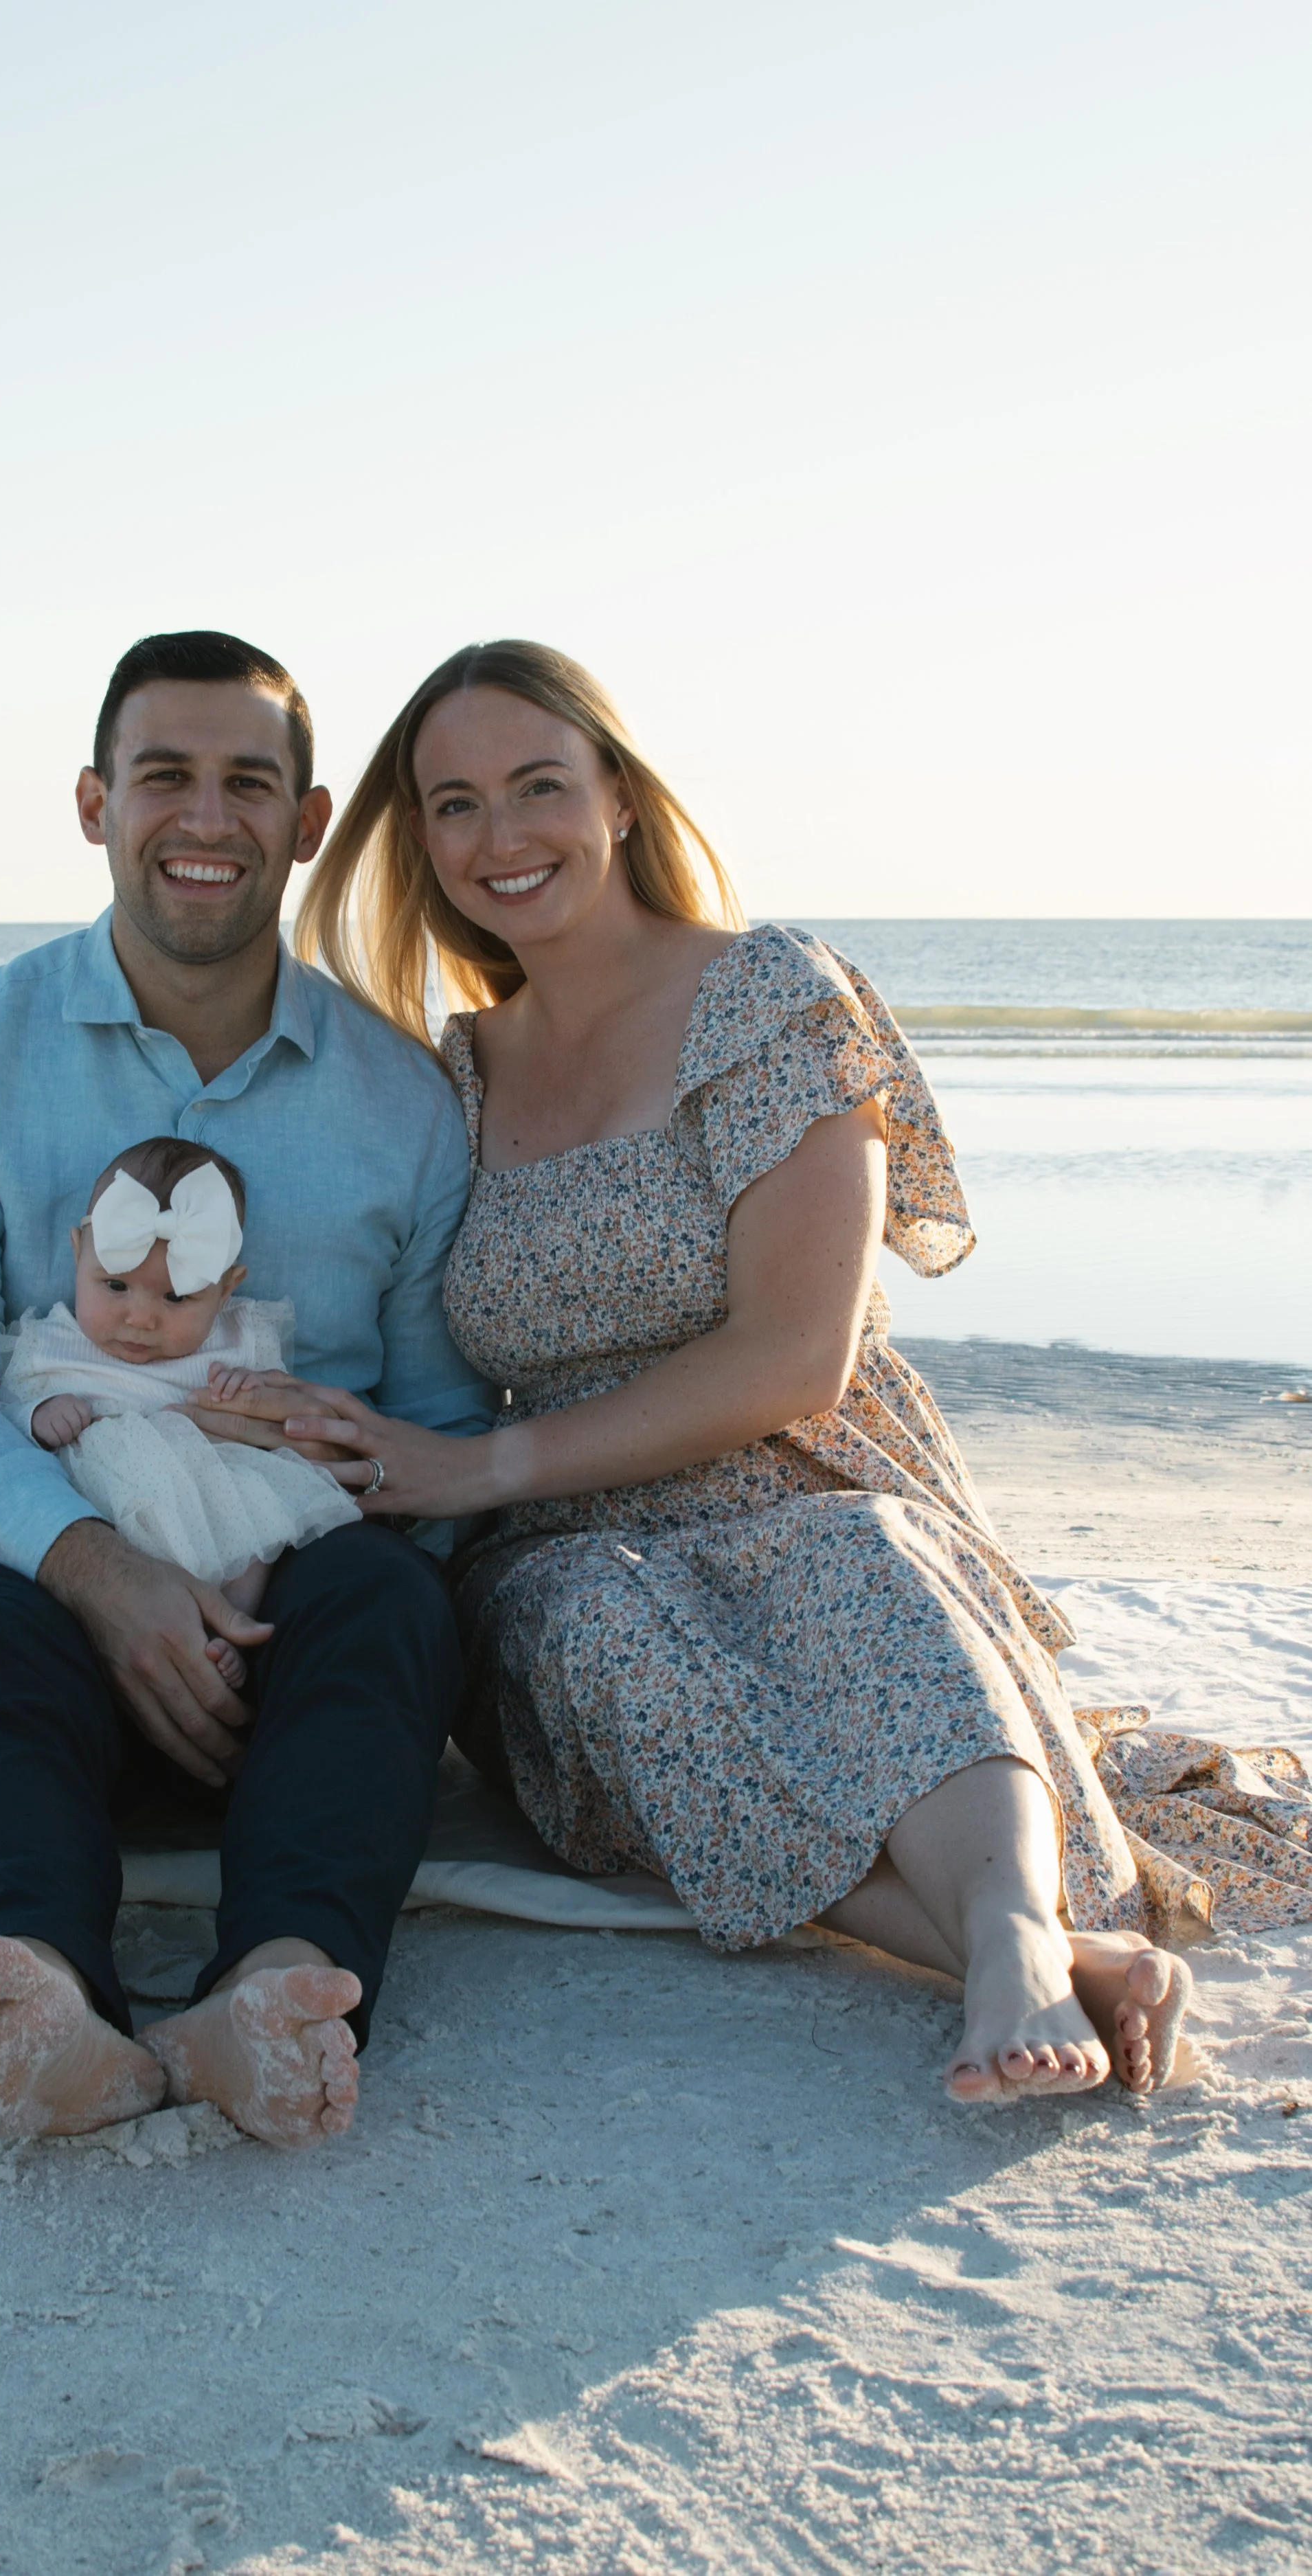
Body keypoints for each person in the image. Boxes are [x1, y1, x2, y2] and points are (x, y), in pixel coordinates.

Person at [204, 637, 1302, 2105]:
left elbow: (799, 1356)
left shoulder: (770, 997)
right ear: (418, 843)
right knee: (586, 1637)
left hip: (804, 1465)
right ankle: (1059, 1957)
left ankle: (1010, 1939)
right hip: (569, 1536)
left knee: (847, 1557)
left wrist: (478, 1467)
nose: (499, 836)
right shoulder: (454, 1072)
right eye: (452, 805)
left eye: (538, 784)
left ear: (620, 799)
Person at [0, 630, 488, 2147]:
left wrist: (285, 1543)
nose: (205, 819)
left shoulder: (404, 1099)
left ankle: (270, 1991)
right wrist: (100, 1570)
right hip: (42, 1598)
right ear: (93, 803)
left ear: (308, 821)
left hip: (286, 1630)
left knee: (395, 1605)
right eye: (164, 777)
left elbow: (439, 1429)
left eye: (246, 782)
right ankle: (45, 2002)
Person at [0, 1133, 359, 1677]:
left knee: (257, 1533)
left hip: (209, 1493)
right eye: (115, 1285)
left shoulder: (235, 1339)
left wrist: (254, 1385)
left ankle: (230, 1623)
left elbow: (284, 1399)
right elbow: (4, 1406)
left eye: (176, 1297)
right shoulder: (52, 1340)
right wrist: (39, 1415)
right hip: (102, 1514)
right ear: (77, 1253)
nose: (140, 1318)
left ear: (227, 1289)